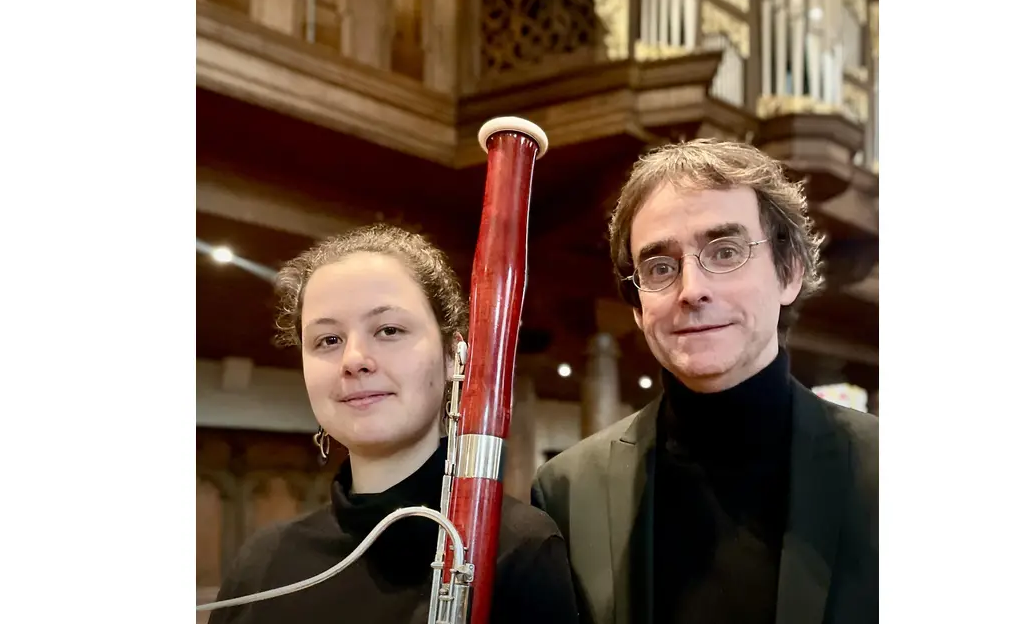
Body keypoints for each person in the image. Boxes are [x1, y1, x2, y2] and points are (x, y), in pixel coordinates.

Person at [531, 140, 878, 624]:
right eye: (659, 267)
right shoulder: (567, 490)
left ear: (789, 273)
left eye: (726, 251)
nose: (692, 290)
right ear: (637, 307)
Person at [210, 224, 580, 624]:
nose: (354, 359)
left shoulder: (517, 547)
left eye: (389, 330)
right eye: (328, 340)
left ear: (455, 356)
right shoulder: (261, 561)